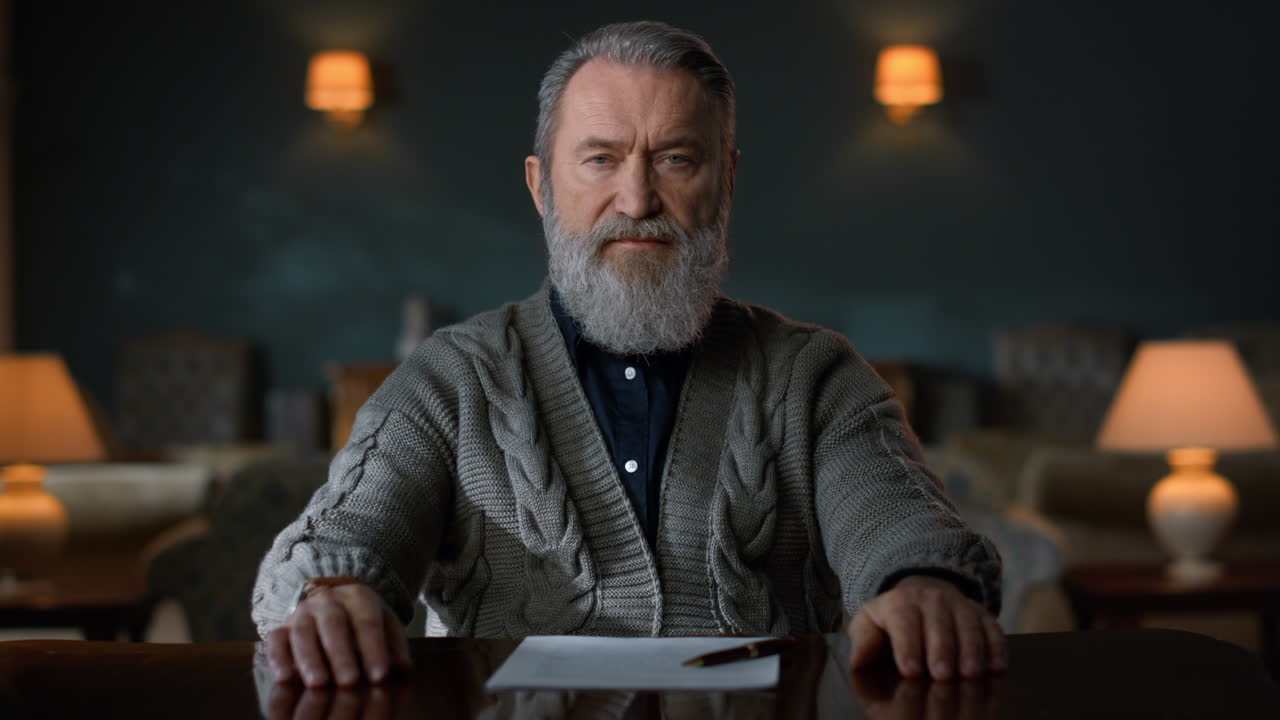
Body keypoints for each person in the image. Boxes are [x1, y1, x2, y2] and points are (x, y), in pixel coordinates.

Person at [252, 20, 1007, 689]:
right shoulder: (448, 378)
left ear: (726, 180)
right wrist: (333, 595)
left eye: (676, 159)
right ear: (542, 186)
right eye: (601, 160)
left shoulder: (816, 376)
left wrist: (922, 585)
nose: (638, 199)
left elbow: (899, 524)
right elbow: (343, 540)